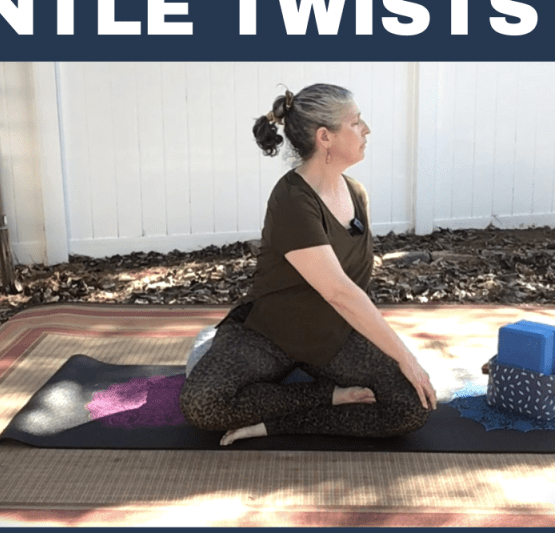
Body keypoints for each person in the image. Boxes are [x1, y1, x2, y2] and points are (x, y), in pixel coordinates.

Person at [179, 83, 437, 446]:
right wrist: (405, 359)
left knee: (411, 407)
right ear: (325, 137)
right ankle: (321, 393)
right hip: (269, 332)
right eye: (356, 122)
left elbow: (351, 290)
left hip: (334, 336)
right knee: (202, 405)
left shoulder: (356, 193)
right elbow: (338, 291)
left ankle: (272, 424)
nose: (366, 129)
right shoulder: (291, 199)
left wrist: (392, 357)